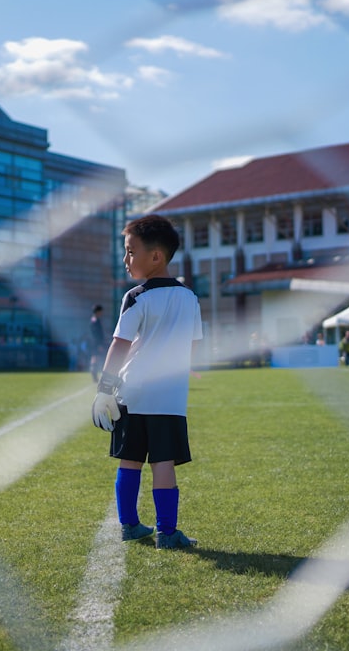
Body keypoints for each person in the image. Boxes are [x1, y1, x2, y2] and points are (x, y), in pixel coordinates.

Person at [90, 214, 202, 550]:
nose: (126, 260)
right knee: (163, 463)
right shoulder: (190, 298)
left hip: (132, 392)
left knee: (131, 460)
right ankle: (168, 533)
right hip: (169, 396)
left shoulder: (136, 296)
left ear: (156, 256)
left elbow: (120, 344)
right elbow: (194, 347)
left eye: (130, 252)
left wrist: (104, 389)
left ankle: (130, 526)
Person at [88, 304, 107, 382]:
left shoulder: (95, 320)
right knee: (95, 358)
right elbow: (96, 334)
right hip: (96, 343)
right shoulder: (95, 321)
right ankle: (94, 376)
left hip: (96, 343)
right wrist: (99, 344)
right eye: (101, 311)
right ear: (98, 311)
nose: (102, 313)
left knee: (95, 358)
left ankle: (95, 376)